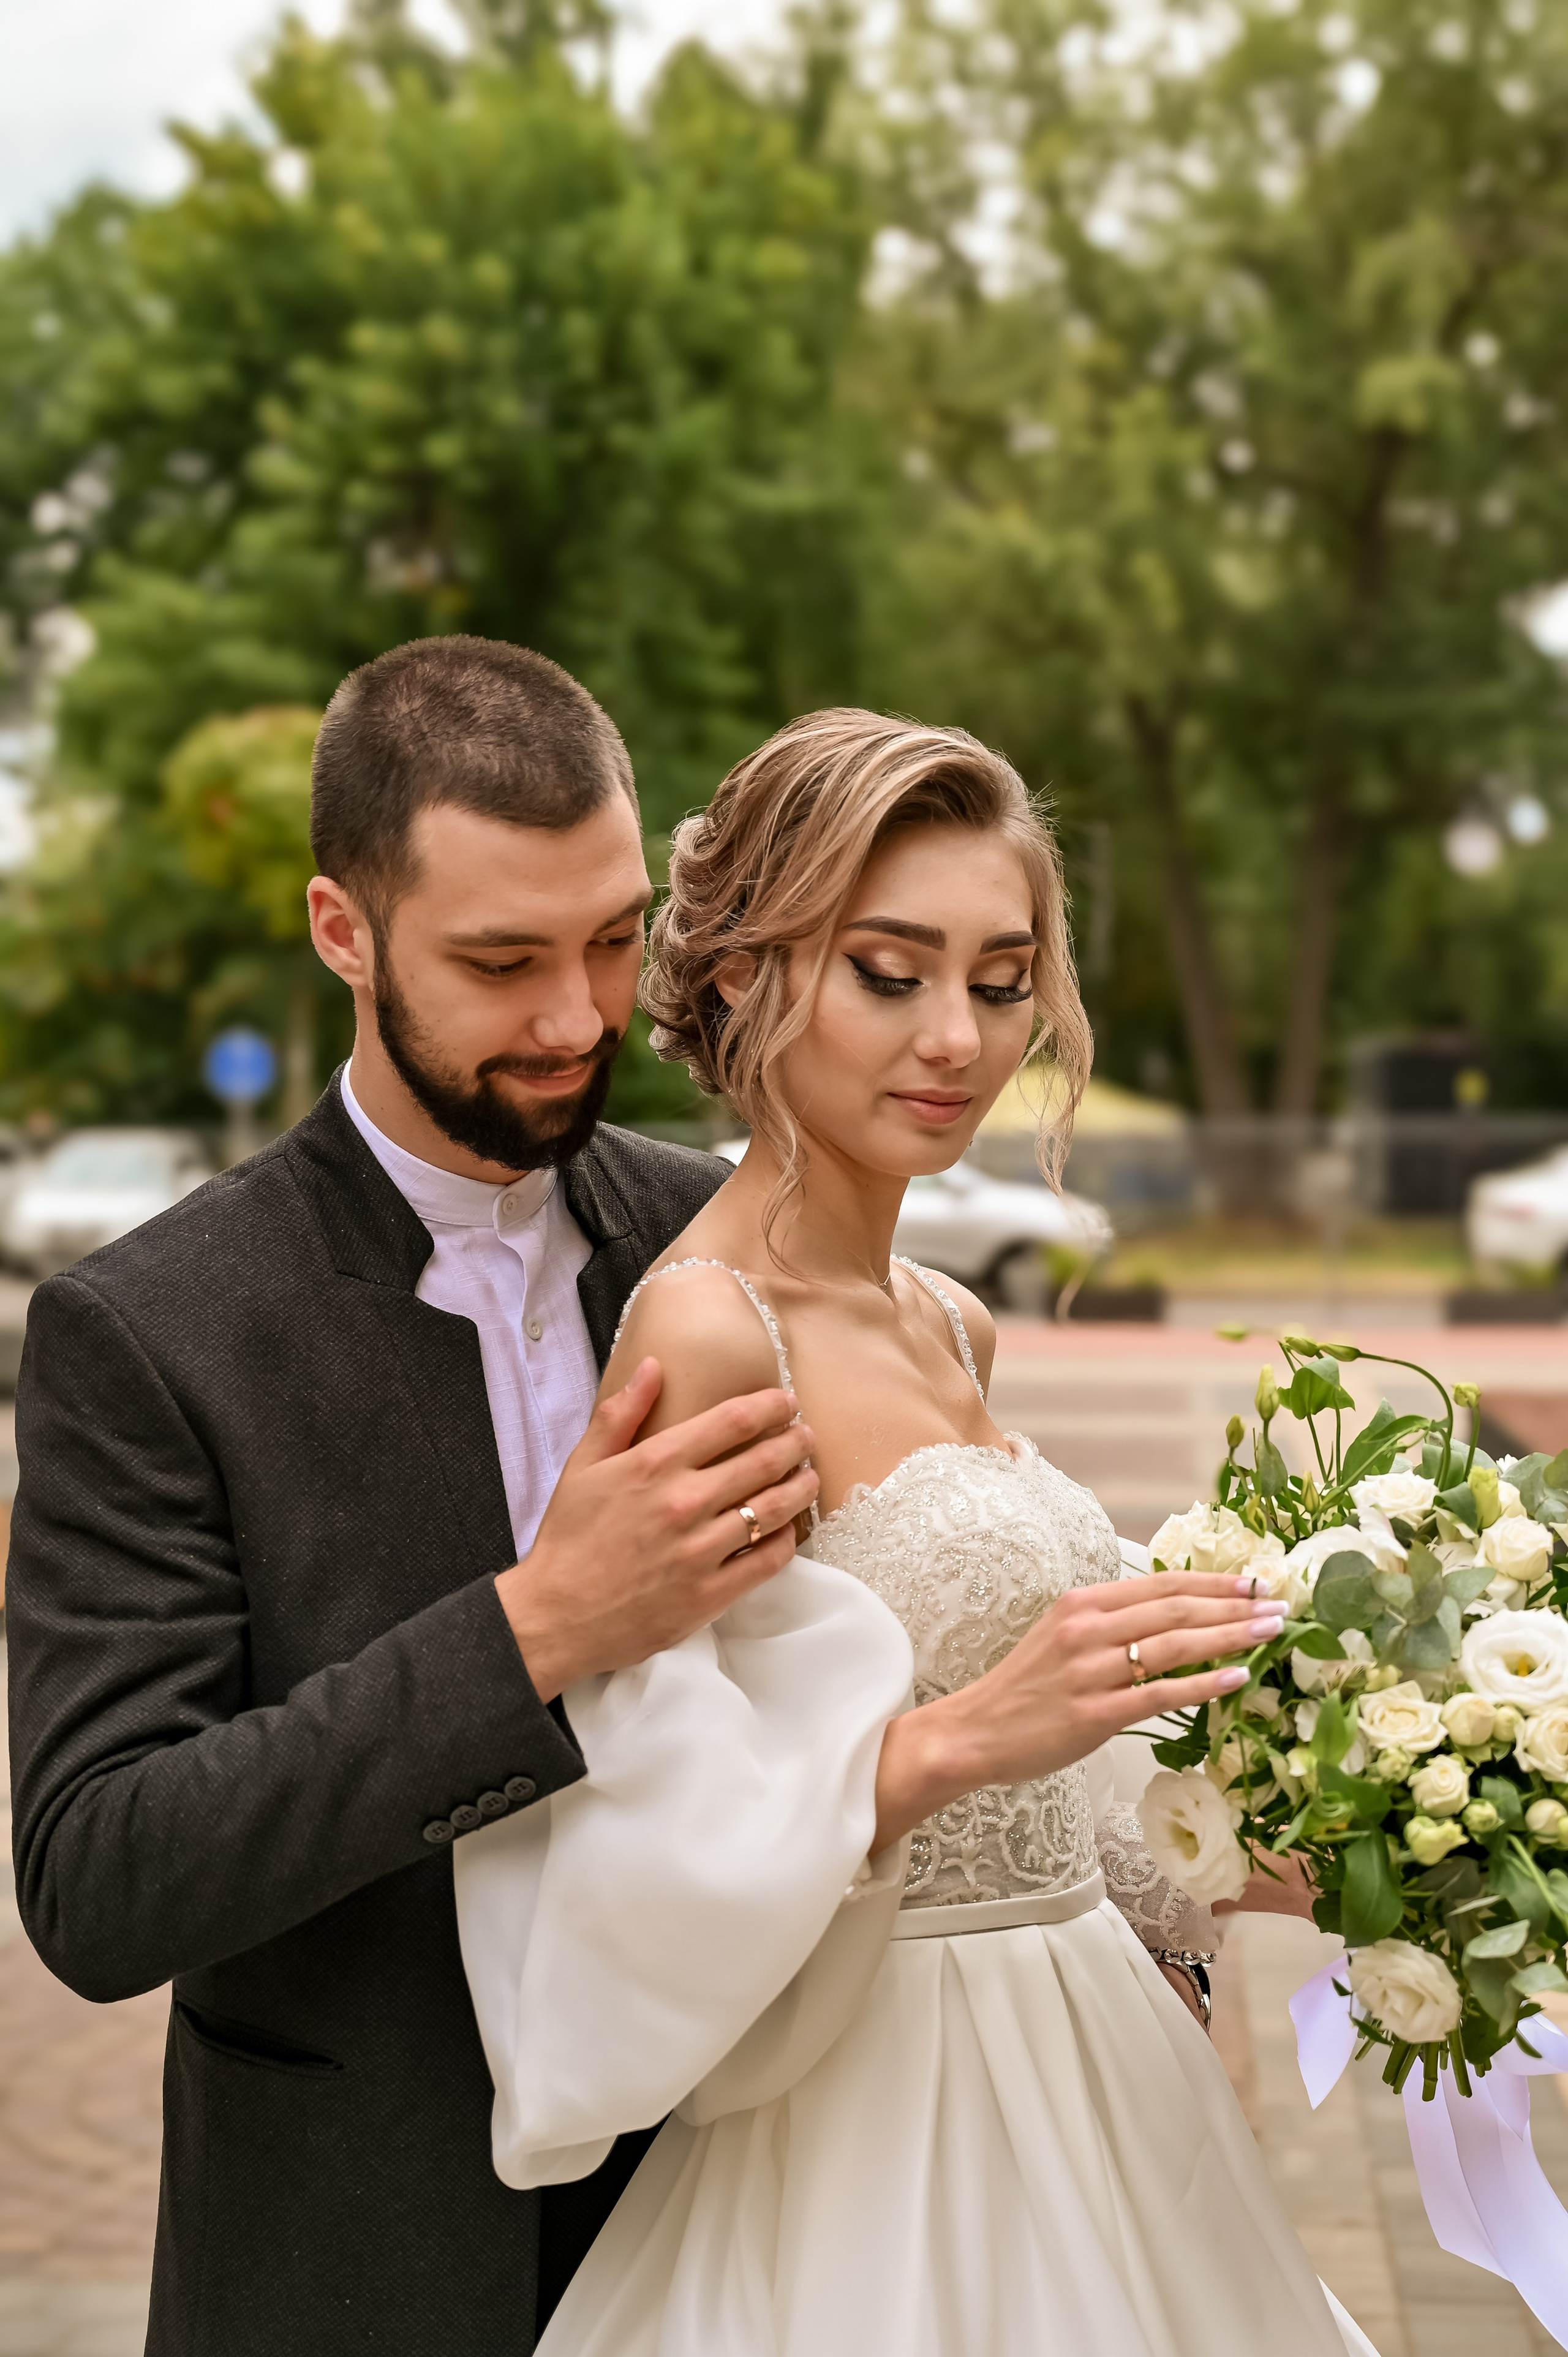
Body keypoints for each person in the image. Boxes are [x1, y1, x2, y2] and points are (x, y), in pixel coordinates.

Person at [453, 708, 1381, 2356]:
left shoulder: (952, 1321)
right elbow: (654, 1812)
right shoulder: (710, 1331)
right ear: (745, 974)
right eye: (890, 973)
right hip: (875, 2123)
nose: (958, 1037)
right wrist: (961, 1739)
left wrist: (1325, 1855)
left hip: (1103, 2066)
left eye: (1003, 980)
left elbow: (1053, 1801)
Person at [6, 636, 826, 2355]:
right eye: (501, 961)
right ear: (342, 930)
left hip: (750, 2227)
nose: (578, 1017)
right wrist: (538, 1629)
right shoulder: (145, 1334)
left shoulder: (728, 1239)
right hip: (353, 2262)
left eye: (613, 941)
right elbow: (101, 1877)